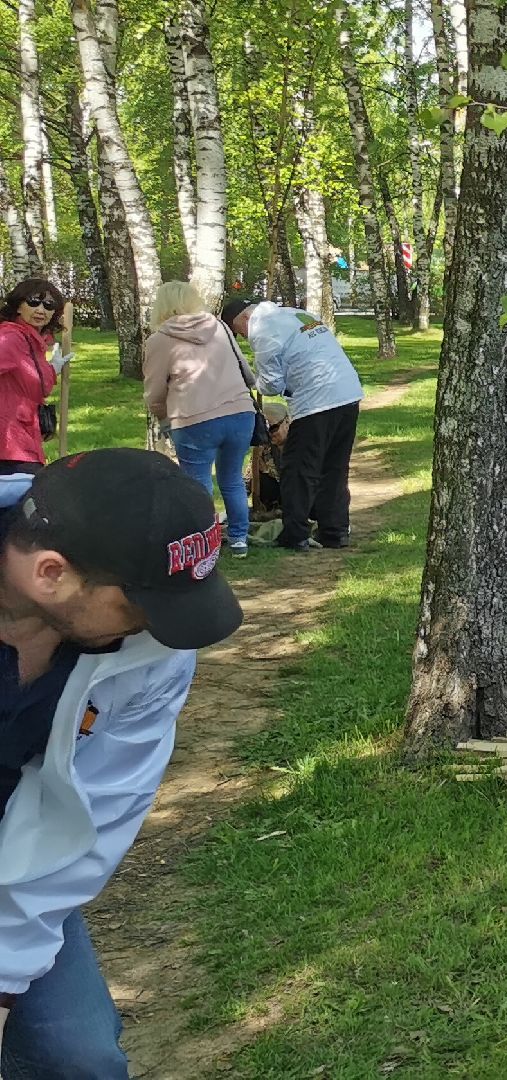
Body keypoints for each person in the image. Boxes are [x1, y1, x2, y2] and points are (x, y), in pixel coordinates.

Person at [0, 447, 246, 1074]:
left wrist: (3, 980)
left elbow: (101, 806)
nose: (160, 628)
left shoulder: (156, 642)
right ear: (50, 574)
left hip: (20, 852)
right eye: (138, 603)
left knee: (77, 1058)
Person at [221, 298, 362, 551]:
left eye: (237, 332)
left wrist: (255, 380)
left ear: (243, 320)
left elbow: (272, 384)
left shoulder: (261, 332)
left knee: (299, 468)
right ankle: (335, 530)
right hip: (348, 393)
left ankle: (295, 533)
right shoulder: (294, 314)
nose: (242, 338)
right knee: (335, 467)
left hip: (316, 400)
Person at [145, 282, 259, 559]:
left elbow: (155, 390)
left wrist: (161, 416)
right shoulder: (219, 326)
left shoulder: (159, 339)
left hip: (194, 417)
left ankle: (206, 541)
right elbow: (245, 367)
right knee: (231, 478)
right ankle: (239, 538)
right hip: (240, 411)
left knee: (198, 482)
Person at [0, 279, 71, 474]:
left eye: (49, 305)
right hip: (8, 444)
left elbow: (36, 385)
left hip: (24, 438)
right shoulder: (11, 338)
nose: (41, 309)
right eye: (33, 302)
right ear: (18, 306)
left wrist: (52, 369)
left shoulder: (34, 342)